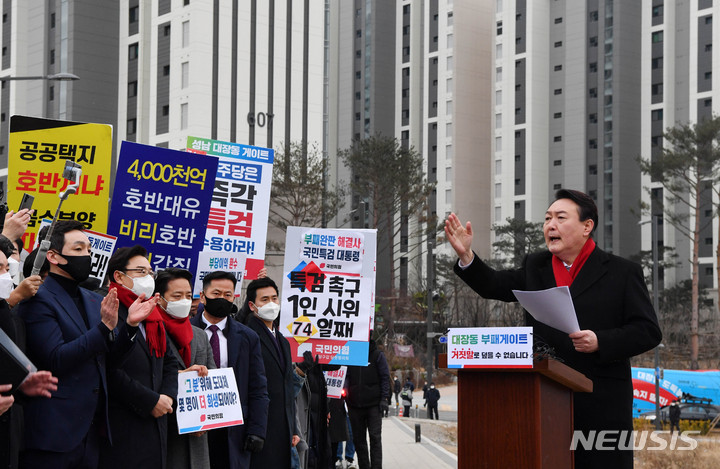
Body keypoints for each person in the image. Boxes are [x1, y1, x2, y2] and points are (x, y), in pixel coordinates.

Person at [445, 189, 662, 469]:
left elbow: (648, 330)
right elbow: (494, 285)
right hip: (542, 397)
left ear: (587, 226)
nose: (551, 225)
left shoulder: (622, 272)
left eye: (560, 218)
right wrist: (467, 257)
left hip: (600, 402)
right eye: (547, 219)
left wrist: (601, 341)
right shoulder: (536, 265)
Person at [17, 220, 153, 469]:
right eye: (78, 249)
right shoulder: (38, 300)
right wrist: (103, 328)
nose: (87, 256)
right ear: (54, 256)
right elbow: (56, 359)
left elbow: (108, 361)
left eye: (89, 250)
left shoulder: (92, 299)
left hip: (92, 433)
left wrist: (130, 327)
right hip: (53, 434)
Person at [99, 245, 180, 469]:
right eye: (141, 272)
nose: (149, 278)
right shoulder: (106, 309)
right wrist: (149, 400)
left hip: (157, 425)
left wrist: (167, 397)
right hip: (123, 425)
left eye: (150, 272)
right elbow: (108, 367)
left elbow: (170, 362)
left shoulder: (152, 314)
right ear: (119, 276)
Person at [190, 271, 269, 469]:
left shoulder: (248, 337)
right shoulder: (185, 331)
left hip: (233, 429)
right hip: (195, 425)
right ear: (203, 296)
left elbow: (258, 386)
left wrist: (257, 430)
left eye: (228, 295)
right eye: (216, 294)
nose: (222, 299)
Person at [0, 247, 57, 469]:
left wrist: (21, 383)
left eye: (7, 268)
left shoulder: (7, 315)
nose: (5, 275)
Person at [154, 267, 216, 469]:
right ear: (160, 298)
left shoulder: (199, 335)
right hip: (165, 435)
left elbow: (213, 380)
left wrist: (206, 420)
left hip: (198, 441)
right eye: (177, 296)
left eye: (188, 295)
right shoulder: (151, 331)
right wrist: (180, 376)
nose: (184, 301)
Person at [244, 277, 302, 469]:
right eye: (264, 299)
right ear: (252, 305)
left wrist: (292, 427)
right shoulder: (246, 335)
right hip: (259, 428)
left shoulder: (283, 341)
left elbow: (286, 387)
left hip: (282, 427)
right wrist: (254, 429)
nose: (271, 304)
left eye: (274, 298)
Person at [345, 339, 390, 469]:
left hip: (374, 405)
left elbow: (385, 377)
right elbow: (346, 375)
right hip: (354, 405)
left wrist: (384, 399)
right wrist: (347, 394)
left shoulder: (377, 355)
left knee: (375, 439)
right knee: (359, 441)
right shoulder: (351, 353)